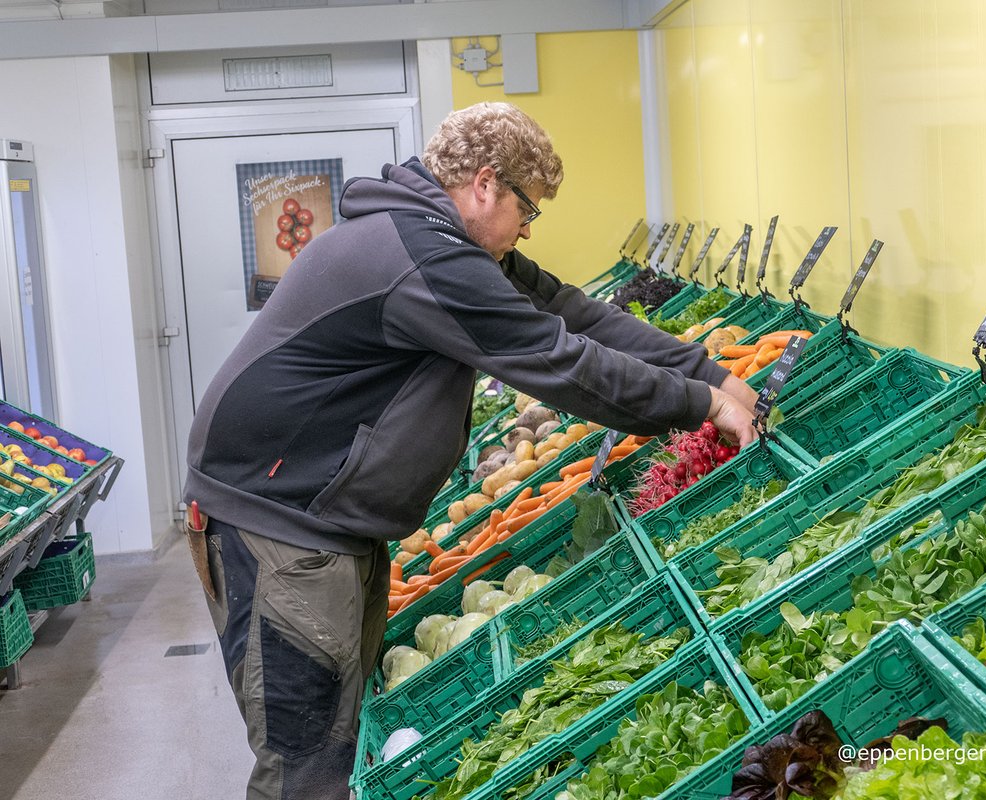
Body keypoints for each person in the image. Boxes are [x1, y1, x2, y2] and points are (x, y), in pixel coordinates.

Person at [183, 101, 759, 799]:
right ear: (485, 185)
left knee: (345, 735)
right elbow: (559, 361)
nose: (526, 228)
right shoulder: (423, 257)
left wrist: (711, 373)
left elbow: (574, 316)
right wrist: (700, 406)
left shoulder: (439, 241)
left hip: (325, 518)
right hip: (275, 522)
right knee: (306, 763)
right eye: (529, 209)